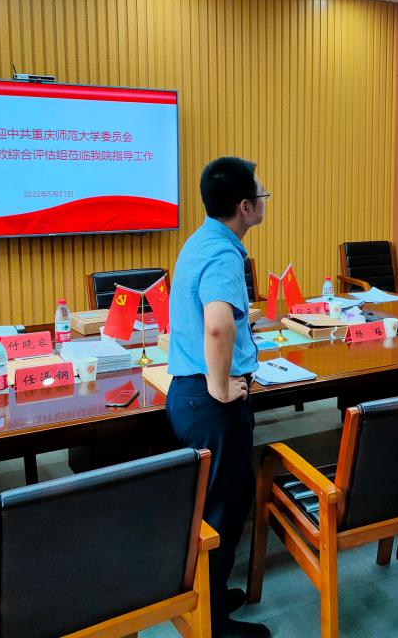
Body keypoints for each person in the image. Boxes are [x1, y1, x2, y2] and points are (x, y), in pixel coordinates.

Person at [166, 157, 271, 638]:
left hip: (190, 396)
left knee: (221, 501)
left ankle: (210, 595)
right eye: (262, 196)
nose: (265, 202)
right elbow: (216, 324)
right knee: (220, 510)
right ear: (245, 207)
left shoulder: (203, 239)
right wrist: (221, 385)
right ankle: (211, 625)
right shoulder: (224, 254)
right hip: (210, 403)